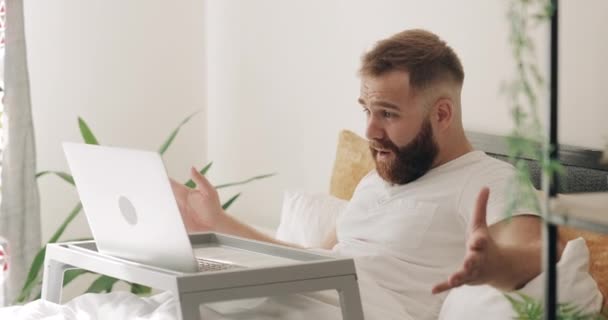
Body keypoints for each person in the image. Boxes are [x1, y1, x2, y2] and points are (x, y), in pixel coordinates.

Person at [170, 29, 563, 319]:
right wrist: (216, 222)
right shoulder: (377, 178)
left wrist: (495, 265)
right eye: (366, 110)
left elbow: (539, 253)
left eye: (388, 114)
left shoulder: (490, 179)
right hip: (306, 294)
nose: (370, 131)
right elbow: (313, 261)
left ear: (441, 114)